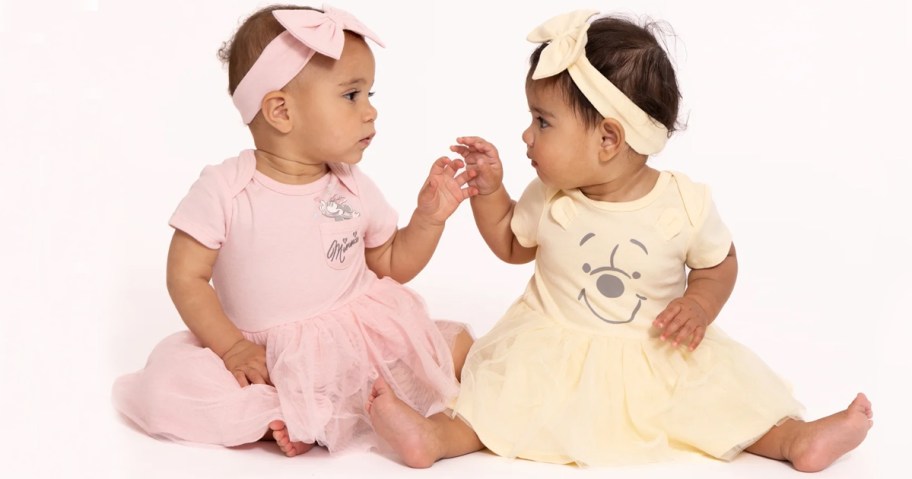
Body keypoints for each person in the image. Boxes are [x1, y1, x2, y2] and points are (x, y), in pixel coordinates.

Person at [367, 9, 873, 472]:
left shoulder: (683, 204)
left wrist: (698, 306)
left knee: (722, 401)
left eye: (542, 121)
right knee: (497, 404)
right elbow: (510, 245)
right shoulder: (550, 196)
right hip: (553, 348)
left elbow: (719, 264)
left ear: (608, 139)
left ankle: (793, 440)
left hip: (658, 350)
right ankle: (435, 436)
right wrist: (490, 191)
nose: (526, 136)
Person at [112, 4, 475, 457]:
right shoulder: (226, 188)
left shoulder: (351, 186)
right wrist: (231, 350)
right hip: (266, 359)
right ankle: (279, 415)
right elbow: (185, 276)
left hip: (353, 346)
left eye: (370, 94)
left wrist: (428, 220)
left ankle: (350, 413)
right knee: (166, 385)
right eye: (351, 96)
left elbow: (390, 264)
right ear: (281, 111)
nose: (371, 113)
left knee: (456, 347)